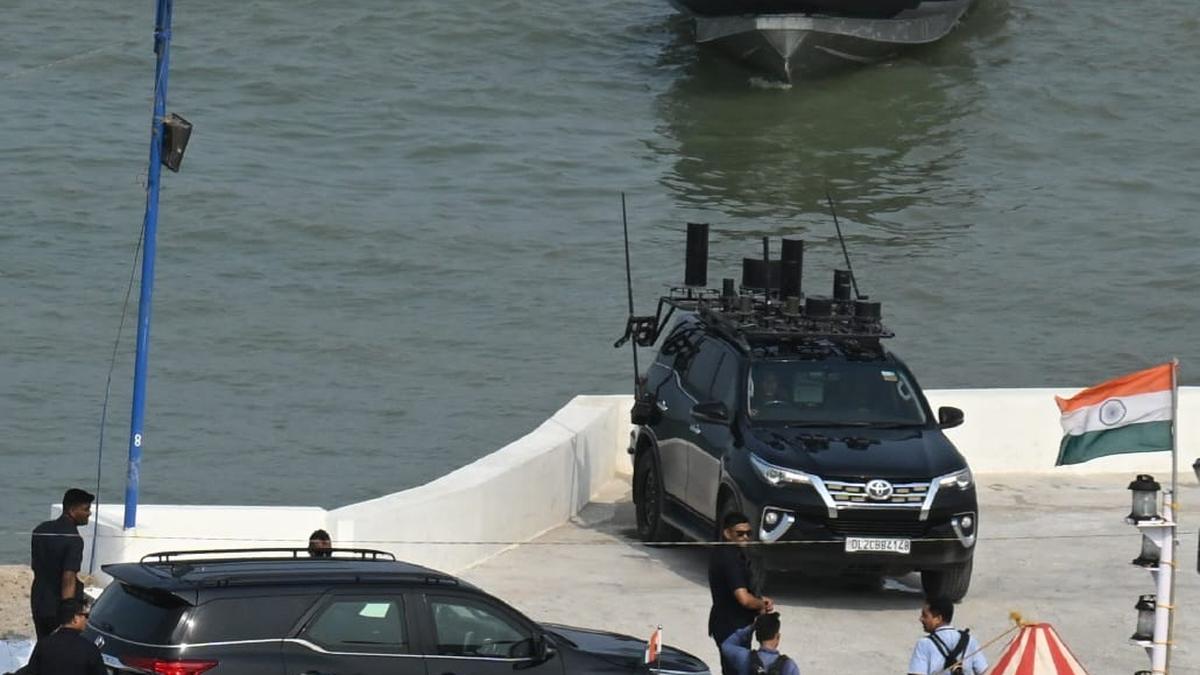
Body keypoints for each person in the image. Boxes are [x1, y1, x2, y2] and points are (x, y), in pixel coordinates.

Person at [709, 512, 772, 675]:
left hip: (729, 625)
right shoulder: (731, 559)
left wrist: (759, 599)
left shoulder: (725, 554)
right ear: (727, 533)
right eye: (740, 533)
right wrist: (761, 604)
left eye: (748, 533)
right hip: (731, 628)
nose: (745, 537)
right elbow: (743, 598)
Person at [30, 489, 93, 640]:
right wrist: (69, 607)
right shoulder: (74, 539)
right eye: (85, 509)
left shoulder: (40, 530)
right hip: (58, 605)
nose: (89, 513)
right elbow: (69, 576)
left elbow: (36, 565)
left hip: (38, 598)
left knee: (43, 642)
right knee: (61, 647)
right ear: (72, 510)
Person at [12, 598, 105, 675]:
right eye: (86, 616)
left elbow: (31, 672)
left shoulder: (43, 644)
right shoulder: (90, 649)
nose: (87, 620)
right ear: (75, 618)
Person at [907, 597, 988, 675]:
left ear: (938, 619)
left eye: (925, 616)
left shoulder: (924, 644)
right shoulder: (970, 641)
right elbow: (985, 671)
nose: (921, 619)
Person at [720, 612, 800, 675]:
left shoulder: (744, 657)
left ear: (757, 636)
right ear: (777, 637)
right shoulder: (789, 666)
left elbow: (726, 645)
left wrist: (751, 627)